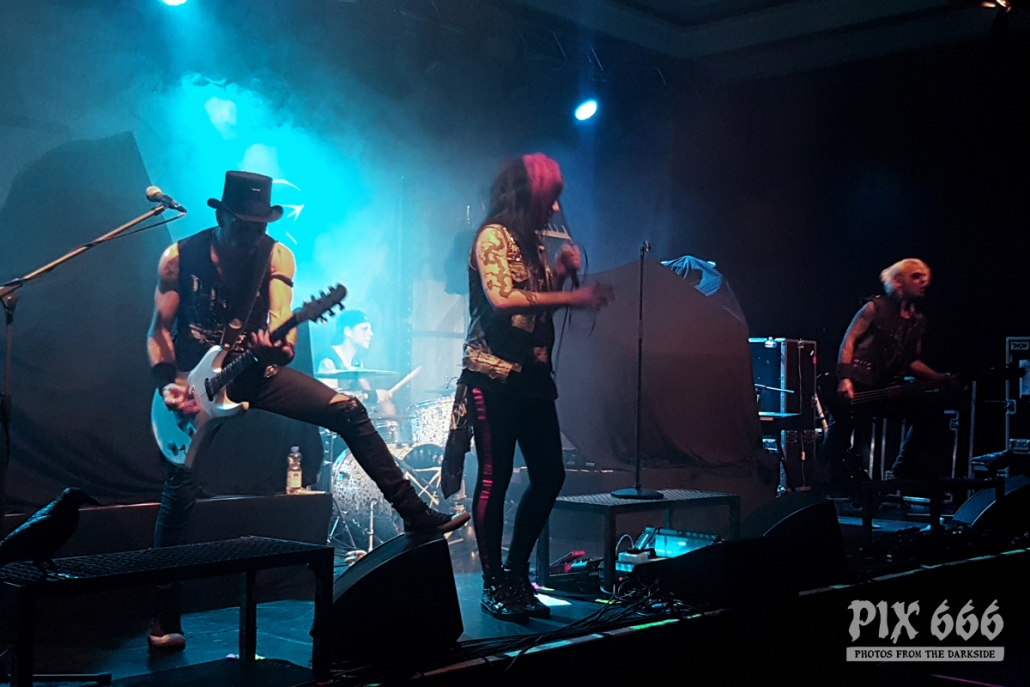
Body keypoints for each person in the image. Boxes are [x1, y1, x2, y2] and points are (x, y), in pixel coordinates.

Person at [146, 171, 469, 650]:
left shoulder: (276, 255)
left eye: (260, 226)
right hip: (191, 389)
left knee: (348, 409)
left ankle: (415, 513)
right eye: (243, 226)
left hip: (253, 372)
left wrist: (278, 346)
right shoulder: (179, 257)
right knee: (180, 493)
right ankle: (163, 615)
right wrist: (168, 384)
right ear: (221, 215)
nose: (252, 236)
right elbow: (158, 332)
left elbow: (285, 328)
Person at [455, 154, 613, 623]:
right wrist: (572, 295)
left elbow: (535, 306)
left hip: (533, 378)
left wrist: (559, 275)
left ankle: (516, 572)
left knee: (549, 475)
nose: (556, 208)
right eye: (550, 198)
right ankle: (493, 583)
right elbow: (503, 299)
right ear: (527, 196)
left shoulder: (532, 244)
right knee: (495, 475)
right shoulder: (492, 237)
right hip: (493, 374)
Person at [821, 258, 954, 489]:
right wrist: (845, 378)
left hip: (887, 387)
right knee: (841, 430)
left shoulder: (917, 321)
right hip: (860, 383)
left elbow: (911, 362)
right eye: (915, 276)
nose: (923, 281)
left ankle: (905, 467)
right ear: (898, 281)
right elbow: (849, 341)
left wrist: (941, 380)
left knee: (930, 410)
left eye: (925, 277)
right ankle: (820, 481)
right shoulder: (875, 308)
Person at [316, 309, 398, 416]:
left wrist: (384, 403)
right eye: (364, 329)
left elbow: (367, 390)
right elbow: (331, 400)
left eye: (371, 329)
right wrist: (371, 396)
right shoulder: (328, 360)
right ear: (348, 332)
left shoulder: (356, 361)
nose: (371, 334)